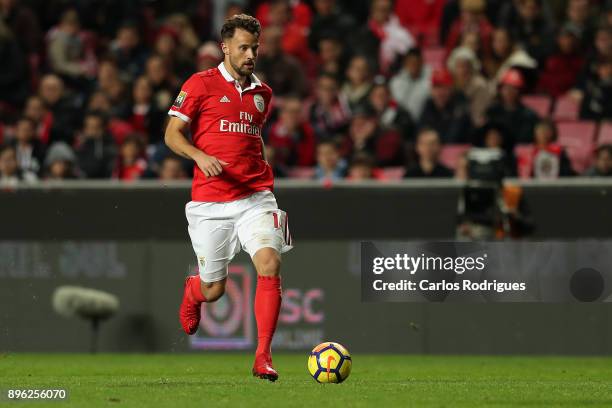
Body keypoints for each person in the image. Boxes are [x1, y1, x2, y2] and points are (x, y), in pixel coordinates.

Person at [164, 14, 292, 382]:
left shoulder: (262, 94)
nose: (251, 53)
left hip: (255, 197)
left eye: (255, 46)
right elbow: (172, 134)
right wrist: (199, 156)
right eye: (243, 47)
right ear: (225, 48)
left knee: (269, 263)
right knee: (214, 289)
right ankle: (194, 291)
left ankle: (262, 357)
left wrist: (264, 171)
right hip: (210, 204)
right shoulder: (200, 84)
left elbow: (253, 138)